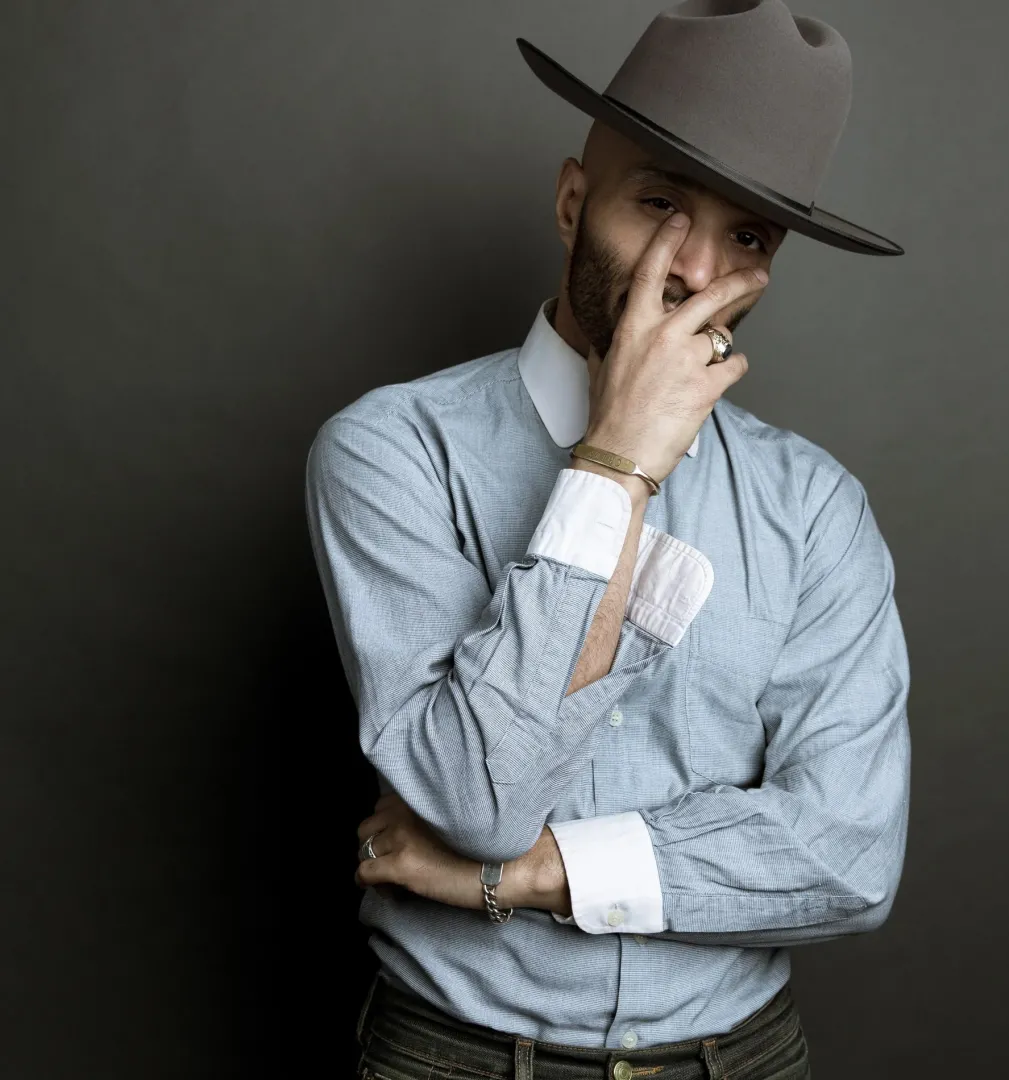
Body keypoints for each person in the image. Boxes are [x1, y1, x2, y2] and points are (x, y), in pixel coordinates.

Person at [304, 2, 910, 1077]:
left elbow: (849, 855)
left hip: (739, 1058)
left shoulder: (816, 508)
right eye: (660, 205)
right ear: (573, 202)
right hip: (462, 1056)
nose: (692, 269)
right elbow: (478, 800)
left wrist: (525, 878)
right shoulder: (392, 452)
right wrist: (617, 460)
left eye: (747, 237)